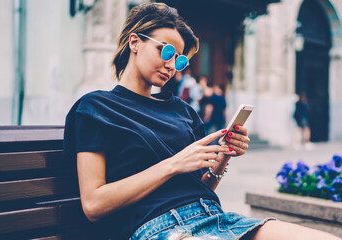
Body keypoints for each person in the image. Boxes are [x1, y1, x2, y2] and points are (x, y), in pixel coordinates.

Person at [63, 3, 340, 240]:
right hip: (157, 229)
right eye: (166, 51)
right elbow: (94, 204)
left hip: (215, 218)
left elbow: (197, 189)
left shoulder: (182, 111)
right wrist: (174, 164)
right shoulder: (96, 108)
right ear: (135, 42)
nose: (172, 65)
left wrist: (223, 158)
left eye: (180, 60)